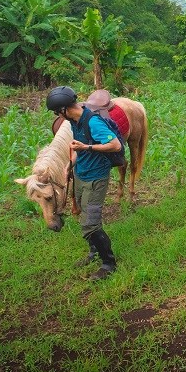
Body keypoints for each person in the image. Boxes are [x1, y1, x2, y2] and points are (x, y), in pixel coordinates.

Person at [46, 85, 121, 280]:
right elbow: (78, 147)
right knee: (82, 213)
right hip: (81, 174)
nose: (57, 116)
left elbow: (115, 145)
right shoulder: (74, 122)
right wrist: (70, 164)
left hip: (96, 177)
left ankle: (108, 263)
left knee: (90, 223)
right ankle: (94, 250)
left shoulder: (93, 122)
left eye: (57, 112)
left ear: (64, 109)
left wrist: (87, 147)